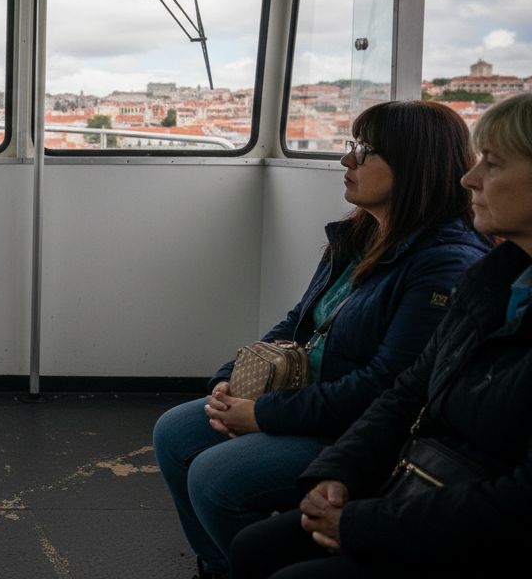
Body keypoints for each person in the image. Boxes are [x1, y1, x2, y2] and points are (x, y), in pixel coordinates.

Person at [152, 100, 488, 578]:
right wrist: (231, 379)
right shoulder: (361, 235)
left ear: (414, 165)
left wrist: (262, 414)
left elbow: (384, 387)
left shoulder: (444, 262)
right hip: (310, 401)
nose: (346, 161)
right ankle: (219, 566)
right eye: (352, 146)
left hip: (355, 430)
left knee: (215, 477)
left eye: (365, 151)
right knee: (174, 432)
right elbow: (299, 322)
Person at [228, 93, 532, 578]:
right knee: (252, 548)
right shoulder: (491, 279)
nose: (469, 179)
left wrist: (361, 520)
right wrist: (336, 473)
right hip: (421, 476)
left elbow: (516, 505)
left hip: (468, 516)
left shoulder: (453, 263)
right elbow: (409, 388)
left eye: (491, 164)